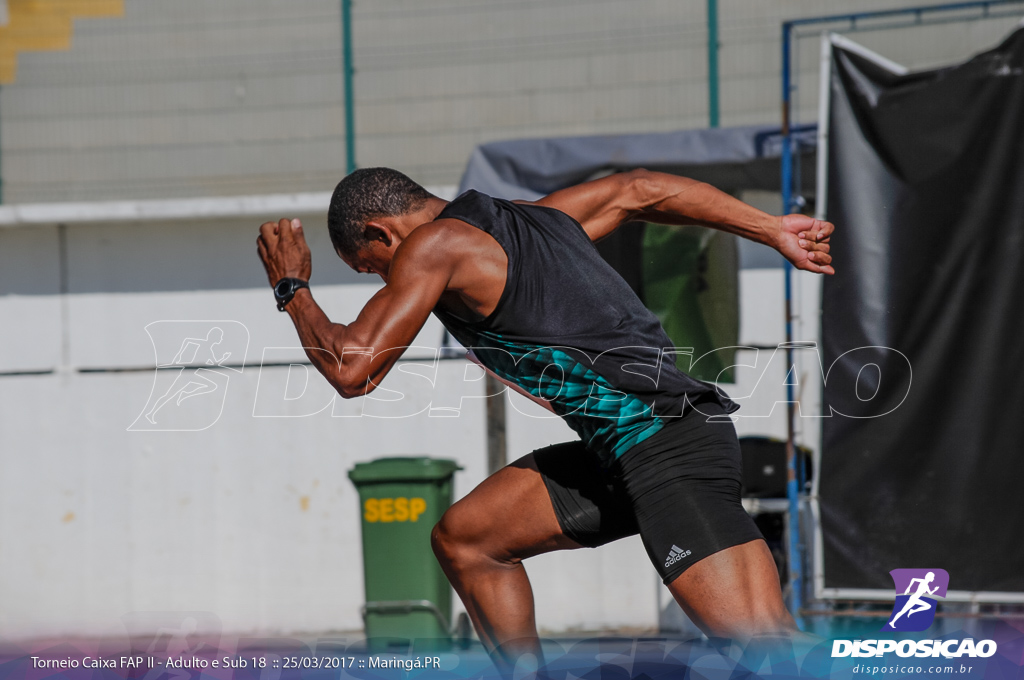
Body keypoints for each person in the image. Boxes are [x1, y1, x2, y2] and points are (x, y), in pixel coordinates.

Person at [256, 167, 833, 673]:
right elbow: (640, 190)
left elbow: (352, 369)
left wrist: (293, 289)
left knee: (766, 648)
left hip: (665, 443)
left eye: (369, 268)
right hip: (623, 451)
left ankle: (913, 660)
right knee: (466, 540)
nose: (386, 282)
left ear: (383, 233)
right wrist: (770, 228)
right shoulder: (537, 219)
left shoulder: (433, 246)